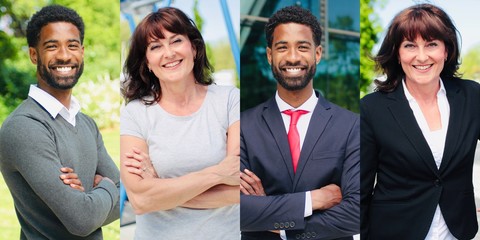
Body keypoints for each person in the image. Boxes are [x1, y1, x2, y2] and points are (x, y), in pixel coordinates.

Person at [360, 3, 480, 240]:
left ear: (446, 50)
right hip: (394, 233)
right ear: (398, 53)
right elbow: (360, 191)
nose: (422, 56)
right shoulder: (372, 109)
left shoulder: (472, 96)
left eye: (432, 44)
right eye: (410, 45)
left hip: (458, 232)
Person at [240, 5, 360, 240]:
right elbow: (237, 210)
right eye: (282, 47)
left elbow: (357, 211)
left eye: (302, 47)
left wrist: (275, 220)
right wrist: (314, 200)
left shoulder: (351, 125)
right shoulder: (243, 125)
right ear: (269, 55)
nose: (293, 57)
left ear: (317, 53)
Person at [0, 5, 120, 239]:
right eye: (52, 46)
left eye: (72, 45)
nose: (64, 55)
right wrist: (106, 186)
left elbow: (129, 198)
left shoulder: (86, 124)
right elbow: (82, 220)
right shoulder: (24, 127)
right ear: (34, 54)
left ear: (82, 52)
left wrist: (90, 199)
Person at [120, 7, 240, 240]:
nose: (168, 53)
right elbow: (141, 201)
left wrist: (161, 189)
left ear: (193, 48)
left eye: (176, 41)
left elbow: (242, 185)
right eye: (156, 47)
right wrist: (218, 173)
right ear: (147, 62)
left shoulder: (229, 100)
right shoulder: (135, 113)